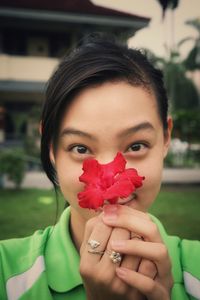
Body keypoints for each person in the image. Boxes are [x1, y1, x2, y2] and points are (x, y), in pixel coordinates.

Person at [0, 34, 200, 300]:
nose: (110, 180)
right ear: (51, 148)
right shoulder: (6, 273)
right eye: (80, 149)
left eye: (136, 145)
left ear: (165, 138)